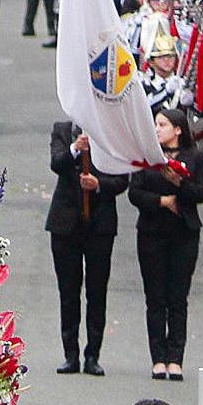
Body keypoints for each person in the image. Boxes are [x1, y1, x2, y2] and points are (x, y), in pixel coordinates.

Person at [128, 108, 203, 381]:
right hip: (152, 232)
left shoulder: (195, 157)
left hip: (183, 233)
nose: (157, 129)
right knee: (155, 297)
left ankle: (176, 358)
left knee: (178, 297)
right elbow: (135, 192)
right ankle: (157, 358)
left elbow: (202, 192)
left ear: (177, 129)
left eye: (163, 124)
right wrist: (162, 201)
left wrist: (180, 185)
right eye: (155, 124)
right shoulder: (147, 157)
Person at [46, 122, 127, 376]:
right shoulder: (62, 129)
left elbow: (123, 178)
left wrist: (99, 184)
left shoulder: (111, 129)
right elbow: (57, 163)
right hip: (65, 223)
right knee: (68, 291)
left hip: (100, 224)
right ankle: (70, 354)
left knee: (97, 290)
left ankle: (93, 354)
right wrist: (75, 148)